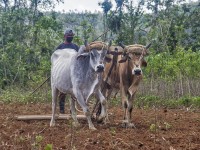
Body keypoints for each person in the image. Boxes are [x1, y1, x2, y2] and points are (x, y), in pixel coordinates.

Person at [56, 28, 79, 114]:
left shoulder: (75, 47)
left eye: (71, 36)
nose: (70, 37)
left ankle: (72, 109)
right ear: (65, 36)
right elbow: (56, 60)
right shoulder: (60, 47)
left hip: (74, 73)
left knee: (74, 92)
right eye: (69, 36)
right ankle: (62, 110)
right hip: (63, 73)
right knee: (62, 92)